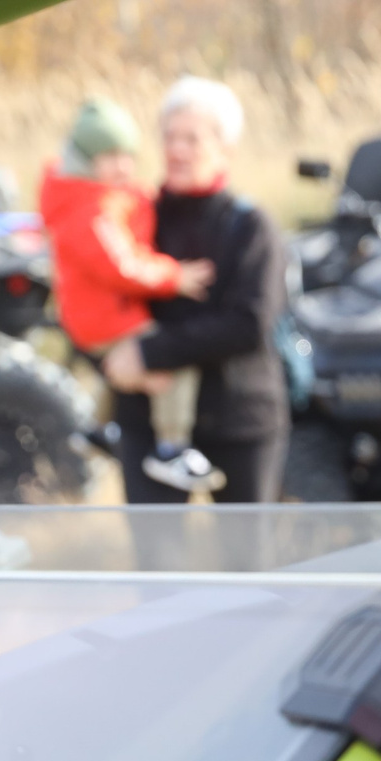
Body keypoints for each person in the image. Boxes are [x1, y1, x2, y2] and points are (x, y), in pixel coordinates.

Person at [101, 78, 290, 503]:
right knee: (159, 562)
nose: (177, 149)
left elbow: (249, 324)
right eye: (169, 136)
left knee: (247, 562)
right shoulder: (132, 219)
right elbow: (91, 297)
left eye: (192, 138)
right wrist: (108, 360)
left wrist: (148, 354)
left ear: (226, 149)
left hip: (238, 420)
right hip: (147, 420)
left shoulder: (251, 226)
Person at [37, 98, 223, 495]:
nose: (123, 167)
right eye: (110, 158)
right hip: (106, 316)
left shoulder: (85, 197)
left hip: (94, 314)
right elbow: (120, 265)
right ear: (86, 160)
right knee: (168, 362)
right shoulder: (90, 210)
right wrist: (173, 276)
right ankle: (172, 446)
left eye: (128, 157)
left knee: (122, 365)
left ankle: (98, 430)